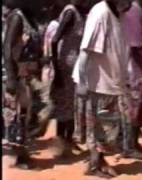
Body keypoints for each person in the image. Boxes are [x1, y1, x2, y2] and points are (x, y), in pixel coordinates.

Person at [72, 0, 132, 177]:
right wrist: (83, 83)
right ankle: (94, 165)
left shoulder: (118, 14)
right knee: (98, 127)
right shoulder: (101, 14)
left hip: (110, 83)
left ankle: (99, 161)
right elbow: (85, 52)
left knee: (107, 128)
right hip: (96, 83)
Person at [3, 4, 43, 169]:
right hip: (17, 76)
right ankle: (19, 158)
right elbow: (7, 47)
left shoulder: (30, 17)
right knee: (17, 117)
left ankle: (23, 154)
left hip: (28, 76)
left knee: (26, 116)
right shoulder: (17, 17)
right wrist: (12, 77)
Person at [50, 0, 88, 158]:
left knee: (73, 104)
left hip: (75, 66)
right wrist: (57, 68)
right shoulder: (70, 13)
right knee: (64, 105)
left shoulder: (80, 13)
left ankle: (68, 139)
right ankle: (61, 143)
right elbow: (54, 40)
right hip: (65, 66)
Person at [121, 0, 142, 160]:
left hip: (138, 69)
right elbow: (135, 45)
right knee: (133, 110)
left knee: (137, 109)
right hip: (135, 70)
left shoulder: (136, 9)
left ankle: (133, 143)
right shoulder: (134, 10)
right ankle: (129, 146)